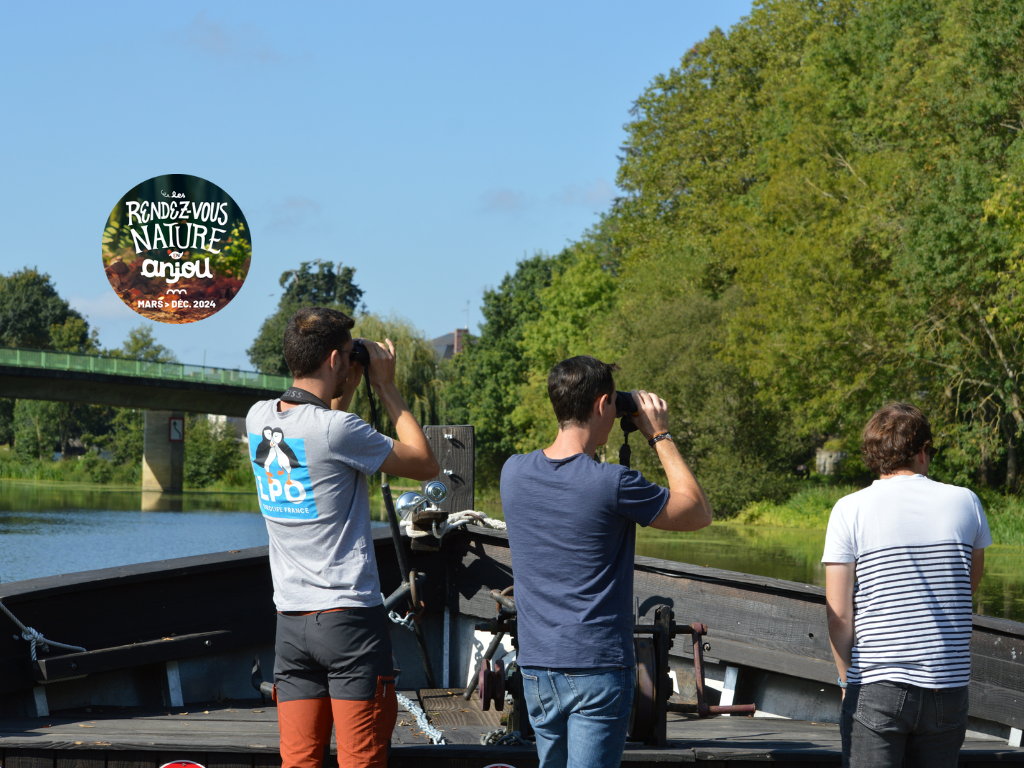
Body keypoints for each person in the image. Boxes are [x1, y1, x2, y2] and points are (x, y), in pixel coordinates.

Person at [245, 307, 439, 768]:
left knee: (300, 762)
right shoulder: (337, 430)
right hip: (349, 623)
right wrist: (387, 387)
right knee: (361, 761)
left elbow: (323, 433)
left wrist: (344, 388)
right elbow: (425, 462)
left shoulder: (257, 419)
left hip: (291, 625)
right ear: (335, 359)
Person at [500, 355, 713, 768]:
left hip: (536, 667)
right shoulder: (613, 483)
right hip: (596, 669)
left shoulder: (513, 472)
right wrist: (660, 435)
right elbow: (698, 512)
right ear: (602, 405)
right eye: (614, 406)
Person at [823, 403, 991, 768]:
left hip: (876, 683)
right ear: (920, 451)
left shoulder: (849, 509)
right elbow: (966, 585)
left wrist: (845, 680)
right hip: (948, 686)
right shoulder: (967, 502)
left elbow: (838, 615)